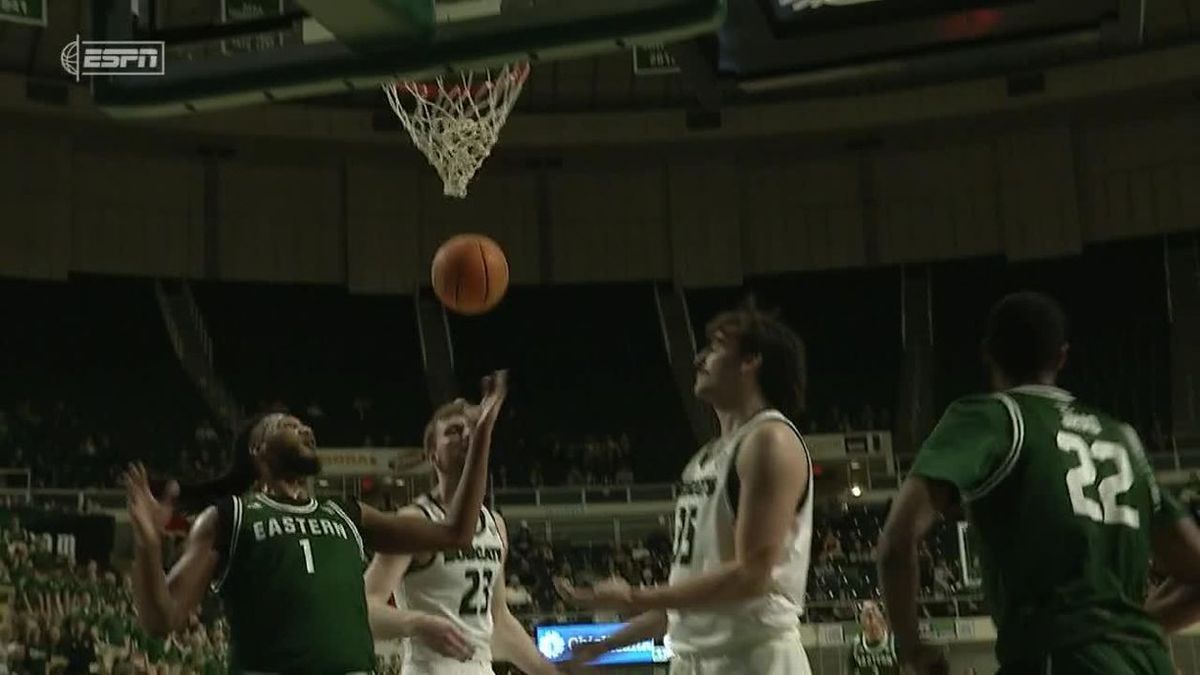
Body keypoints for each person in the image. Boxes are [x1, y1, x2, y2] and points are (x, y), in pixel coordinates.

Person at [878, 292, 1200, 674]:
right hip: (1150, 664)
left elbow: (896, 542)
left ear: (987, 353)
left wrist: (912, 646)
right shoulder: (1121, 436)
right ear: (1061, 356)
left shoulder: (993, 417)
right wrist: (1133, 629)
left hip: (1058, 659)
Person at [124, 371, 508, 674]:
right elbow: (163, 619)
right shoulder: (230, 517)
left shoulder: (346, 512)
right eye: (287, 426)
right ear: (259, 450)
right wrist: (147, 547)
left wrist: (483, 435)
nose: (305, 429)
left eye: (304, 426)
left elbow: (456, 533)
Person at [558, 300, 813, 675]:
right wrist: (604, 646)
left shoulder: (769, 440)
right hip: (692, 661)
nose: (699, 358)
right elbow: (691, 595)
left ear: (751, 361)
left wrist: (633, 595)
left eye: (716, 346)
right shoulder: (703, 460)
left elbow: (752, 574)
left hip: (754, 659)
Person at [363, 398, 557, 675]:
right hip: (430, 668)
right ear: (433, 456)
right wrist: (416, 622)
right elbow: (363, 608)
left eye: (471, 429)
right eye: (454, 431)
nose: (466, 435)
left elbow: (499, 621)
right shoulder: (415, 521)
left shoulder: (495, 524)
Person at [847, 601, 898, 675]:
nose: (873, 631)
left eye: (875, 629)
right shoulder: (856, 645)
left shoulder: (894, 642)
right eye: (869, 629)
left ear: (882, 622)